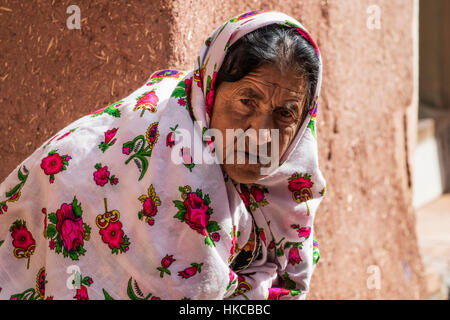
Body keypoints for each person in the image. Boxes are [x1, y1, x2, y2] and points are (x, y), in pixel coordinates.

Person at [0, 10, 326, 300]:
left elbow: (287, 278)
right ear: (209, 93)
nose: (258, 134)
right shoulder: (166, 158)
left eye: (284, 114)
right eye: (246, 102)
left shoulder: (287, 188)